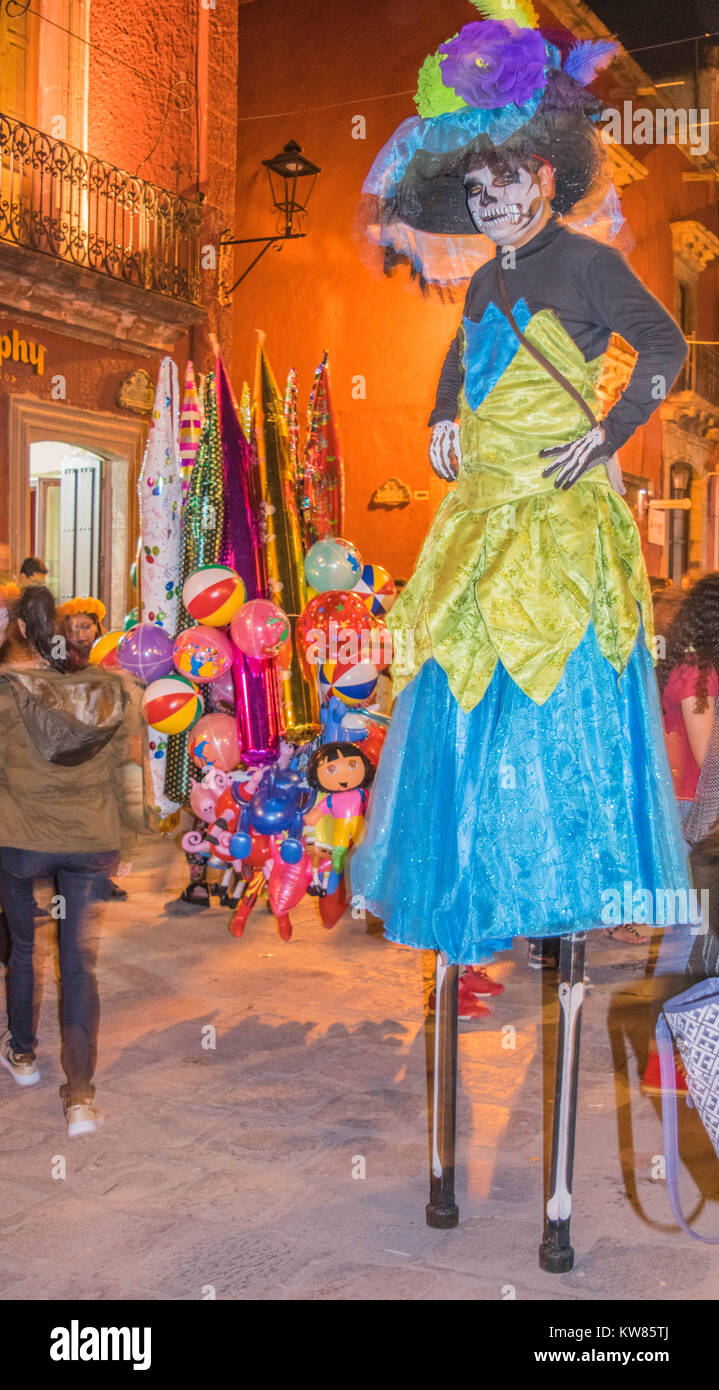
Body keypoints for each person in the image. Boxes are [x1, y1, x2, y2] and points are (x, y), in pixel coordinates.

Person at [352, 7, 690, 969]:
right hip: (480, 511)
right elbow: (461, 355)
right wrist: (440, 416)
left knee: (558, 699)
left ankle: (564, 884)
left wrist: (609, 432)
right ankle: (479, 879)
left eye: (504, 179)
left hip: (555, 517)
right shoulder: (481, 282)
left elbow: (667, 351)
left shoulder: (591, 263)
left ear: (543, 176)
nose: (492, 199)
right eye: (476, 185)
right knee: (467, 696)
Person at [0, 585, 141, 1136]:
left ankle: (23, 1055)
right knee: (79, 965)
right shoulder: (112, 690)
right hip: (90, 843)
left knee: (23, 948)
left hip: (21, 841)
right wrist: (126, 841)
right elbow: (129, 772)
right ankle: (80, 1097)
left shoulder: (7, 693)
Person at [56, 596, 105, 671]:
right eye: (73, 629)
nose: (80, 635)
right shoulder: (59, 657)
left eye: (86, 627)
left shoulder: (110, 650)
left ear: (97, 627)